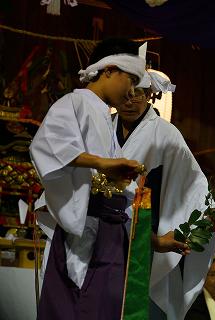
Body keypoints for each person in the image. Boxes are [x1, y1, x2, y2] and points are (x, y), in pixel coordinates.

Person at [30, 38, 146, 320]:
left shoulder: (105, 115)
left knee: (103, 307)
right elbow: (46, 144)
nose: (131, 92)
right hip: (85, 227)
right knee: (81, 305)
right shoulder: (75, 102)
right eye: (129, 79)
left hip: (108, 227)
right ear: (108, 70)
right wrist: (102, 163)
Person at [113, 69, 215, 319]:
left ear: (150, 94)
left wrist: (203, 216)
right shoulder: (102, 128)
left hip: (145, 241)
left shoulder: (166, 134)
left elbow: (195, 186)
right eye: (124, 94)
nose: (130, 101)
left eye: (137, 93)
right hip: (106, 236)